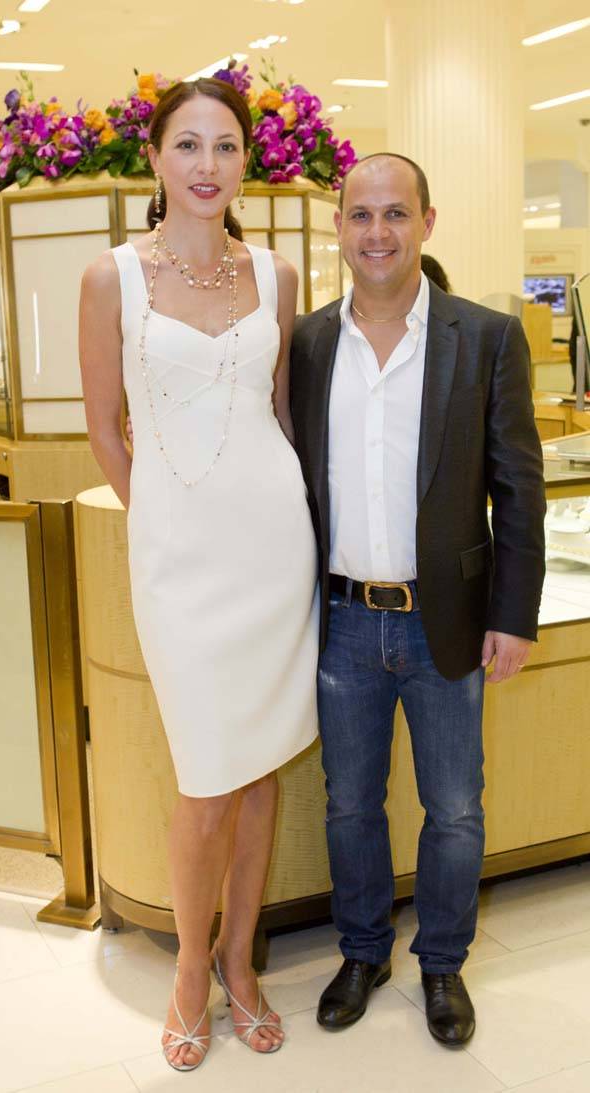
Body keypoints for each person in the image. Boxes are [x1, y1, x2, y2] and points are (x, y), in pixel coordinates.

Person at [79, 78, 319, 1072]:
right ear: (156, 158)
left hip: (275, 547)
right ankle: (189, 968)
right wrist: (160, 521)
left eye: (226, 146)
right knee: (207, 777)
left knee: (256, 770)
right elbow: (105, 428)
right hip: (180, 560)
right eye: (188, 144)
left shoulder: (279, 272)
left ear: (247, 160)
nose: (207, 165)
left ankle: (239, 958)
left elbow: (285, 415)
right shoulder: (110, 277)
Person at [289, 153, 546, 1046]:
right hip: (342, 621)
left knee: (456, 806)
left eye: (396, 214)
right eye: (361, 215)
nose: (378, 233)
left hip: (450, 620)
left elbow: (519, 488)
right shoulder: (307, 343)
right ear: (339, 227)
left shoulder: (487, 337)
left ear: (427, 223)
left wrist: (513, 614)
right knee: (349, 804)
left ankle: (443, 963)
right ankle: (363, 952)